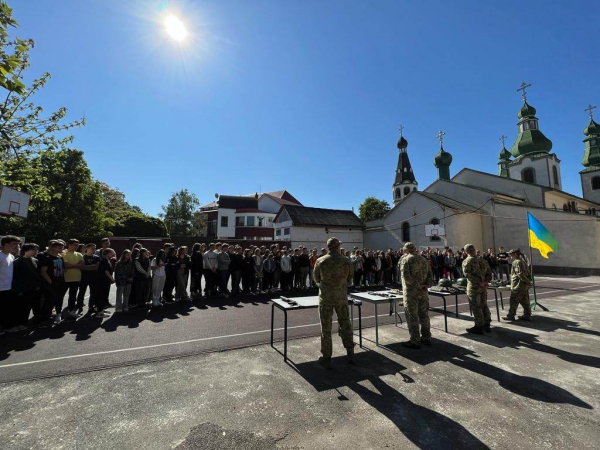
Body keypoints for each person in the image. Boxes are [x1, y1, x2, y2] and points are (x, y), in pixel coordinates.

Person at [312, 237, 355, 369]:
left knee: (326, 328)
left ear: (328, 247)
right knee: (345, 324)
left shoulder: (321, 261)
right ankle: (350, 352)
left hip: (326, 299)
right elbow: (350, 278)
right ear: (338, 246)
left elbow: (316, 278)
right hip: (341, 298)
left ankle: (327, 357)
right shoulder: (346, 261)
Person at [399, 242, 434, 348]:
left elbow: (406, 277)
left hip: (411, 292)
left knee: (412, 315)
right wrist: (426, 285)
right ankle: (426, 337)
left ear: (406, 250)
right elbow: (430, 275)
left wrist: (417, 285)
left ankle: (415, 340)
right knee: (424, 315)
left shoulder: (406, 260)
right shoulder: (423, 259)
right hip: (423, 292)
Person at [10, 243, 42, 331]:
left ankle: (24, 322)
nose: (36, 251)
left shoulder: (35, 260)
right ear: (26, 250)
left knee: (29, 307)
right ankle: (20, 323)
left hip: (33, 288)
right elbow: (15, 277)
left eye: (36, 250)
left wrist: (37, 285)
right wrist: (18, 290)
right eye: (34, 250)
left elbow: (36, 275)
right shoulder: (17, 262)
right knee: (21, 308)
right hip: (23, 289)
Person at [462, 244, 490, 334]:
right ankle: (487, 323)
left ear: (466, 251)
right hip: (483, 287)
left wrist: (479, 282)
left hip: (474, 287)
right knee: (483, 304)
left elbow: (468, 275)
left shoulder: (467, 261)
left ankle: (479, 326)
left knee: (476, 306)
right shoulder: (482, 259)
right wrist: (485, 282)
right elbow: (489, 272)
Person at [38, 240, 68, 325]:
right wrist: (51, 282)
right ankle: (44, 319)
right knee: (49, 301)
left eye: (62, 247)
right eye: (59, 247)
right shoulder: (46, 257)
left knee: (56, 300)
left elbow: (61, 270)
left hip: (60, 282)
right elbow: (43, 272)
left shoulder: (60, 257)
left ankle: (50, 316)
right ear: (53, 247)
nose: (62, 249)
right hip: (50, 283)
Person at [502, 249, 532, 321]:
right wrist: (528, 282)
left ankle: (511, 315)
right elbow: (527, 273)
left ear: (515, 254)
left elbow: (520, 274)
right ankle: (527, 314)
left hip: (518, 285)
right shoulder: (522, 262)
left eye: (511, 254)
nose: (510, 256)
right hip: (523, 286)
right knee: (524, 301)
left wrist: (527, 282)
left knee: (513, 301)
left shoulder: (516, 262)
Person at [0, 235, 22, 334]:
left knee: (6, 310)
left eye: (18, 244)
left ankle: (6, 327)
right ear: (5, 244)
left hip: (8, 288)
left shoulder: (11, 256)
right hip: (1, 288)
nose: (16, 246)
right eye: (14, 244)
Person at [63, 239, 84, 319]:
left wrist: (71, 265)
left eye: (77, 245)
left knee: (73, 296)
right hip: (65, 278)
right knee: (60, 296)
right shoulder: (64, 253)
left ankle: (71, 310)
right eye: (75, 245)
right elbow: (66, 266)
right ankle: (57, 312)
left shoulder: (79, 254)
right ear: (69, 245)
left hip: (76, 278)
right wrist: (76, 265)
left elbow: (82, 265)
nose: (77, 247)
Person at [77, 243, 100, 315]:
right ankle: (79, 307)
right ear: (87, 248)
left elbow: (96, 267)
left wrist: (87, 267)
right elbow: (81, 267)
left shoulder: (96, 257)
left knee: (93, 293)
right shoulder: (82, 257)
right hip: (84, 277)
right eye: (92, 248)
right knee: (81, 292)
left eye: (95, 248)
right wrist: (91, 266)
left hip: (94, 277)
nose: (94, 249)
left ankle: (91, 307)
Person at [95, 248, 115, 318]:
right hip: (102, 281)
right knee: (101, 296)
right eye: (111, 253)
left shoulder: (107, 260)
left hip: (106, 281)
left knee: (104, 296)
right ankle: (99, 312)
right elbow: (106, 272)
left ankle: (102, 309)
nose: (113, 254)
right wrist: (112, 279)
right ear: (107, 253)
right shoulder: (104, 261)